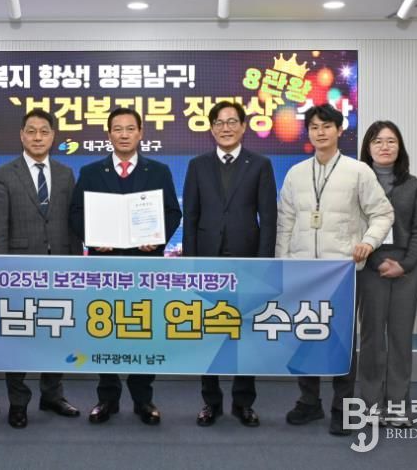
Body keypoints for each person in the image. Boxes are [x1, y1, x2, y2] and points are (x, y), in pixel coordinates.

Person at [275, 103, 393, 436]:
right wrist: (282, 265)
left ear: (340, 130)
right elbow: (285, 223)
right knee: (305, 337)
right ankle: (309, 401)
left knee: (341, 341)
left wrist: (368, 242)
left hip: (342, 273)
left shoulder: (358, 171)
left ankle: (343, 407)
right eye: (314, 127)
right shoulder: (296, 173)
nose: (320, 132)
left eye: (327, 126)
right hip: (303, 273)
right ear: (308, 132)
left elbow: (383, 214)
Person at [69, 107, 182, 425]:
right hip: (105, 266)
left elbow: (173, 212)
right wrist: (93, 237)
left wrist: (157, 240)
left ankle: (143, 399)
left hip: (144, 265)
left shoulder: (158, 171)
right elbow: (76, 213)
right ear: (108, 134)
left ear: (140, 133)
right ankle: (107, 397)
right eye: (117, 129)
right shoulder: (91, 171)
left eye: (130, 128)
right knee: (105, 330)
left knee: (142, 330)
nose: (123, 134)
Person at [183, 101, 277, 427]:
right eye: (219, 123)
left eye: (232, 122)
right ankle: (210, 402)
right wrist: (190, 265)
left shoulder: (260, 165)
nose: (226, 128)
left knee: (244, 335)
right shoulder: (197, 165)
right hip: (207, 263)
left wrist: (264, 263)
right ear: (211, 129)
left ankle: (243, 403)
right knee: (207, 334)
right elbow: (191, 217)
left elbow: (269, 218)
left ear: (243, 127)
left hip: (246, 263)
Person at [0, 109, 83, 429]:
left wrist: (75, 266)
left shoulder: (66, 173)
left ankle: (52, 394)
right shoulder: (4, 174)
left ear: (53, 136)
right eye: (31, 131)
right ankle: (18, 402)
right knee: (18, 335)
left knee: (55, 332)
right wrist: (2, 271)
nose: (38, 137)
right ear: (21, 135)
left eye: (44, 131)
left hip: (59, 267)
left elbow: (72, 226)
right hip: (19, 269)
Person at [357, 121, 417, 427]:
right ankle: (371, 405)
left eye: (391, 141)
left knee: (400, 339)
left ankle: (397, 406)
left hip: (406, 270)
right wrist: (375, 261)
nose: (384, 147)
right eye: (377, 141)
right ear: (368, 147)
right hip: (369, 266)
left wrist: (406, 264)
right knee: (371, 338)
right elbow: (353, 227)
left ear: (400, 147)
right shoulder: (357, 181)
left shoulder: (413, 185)